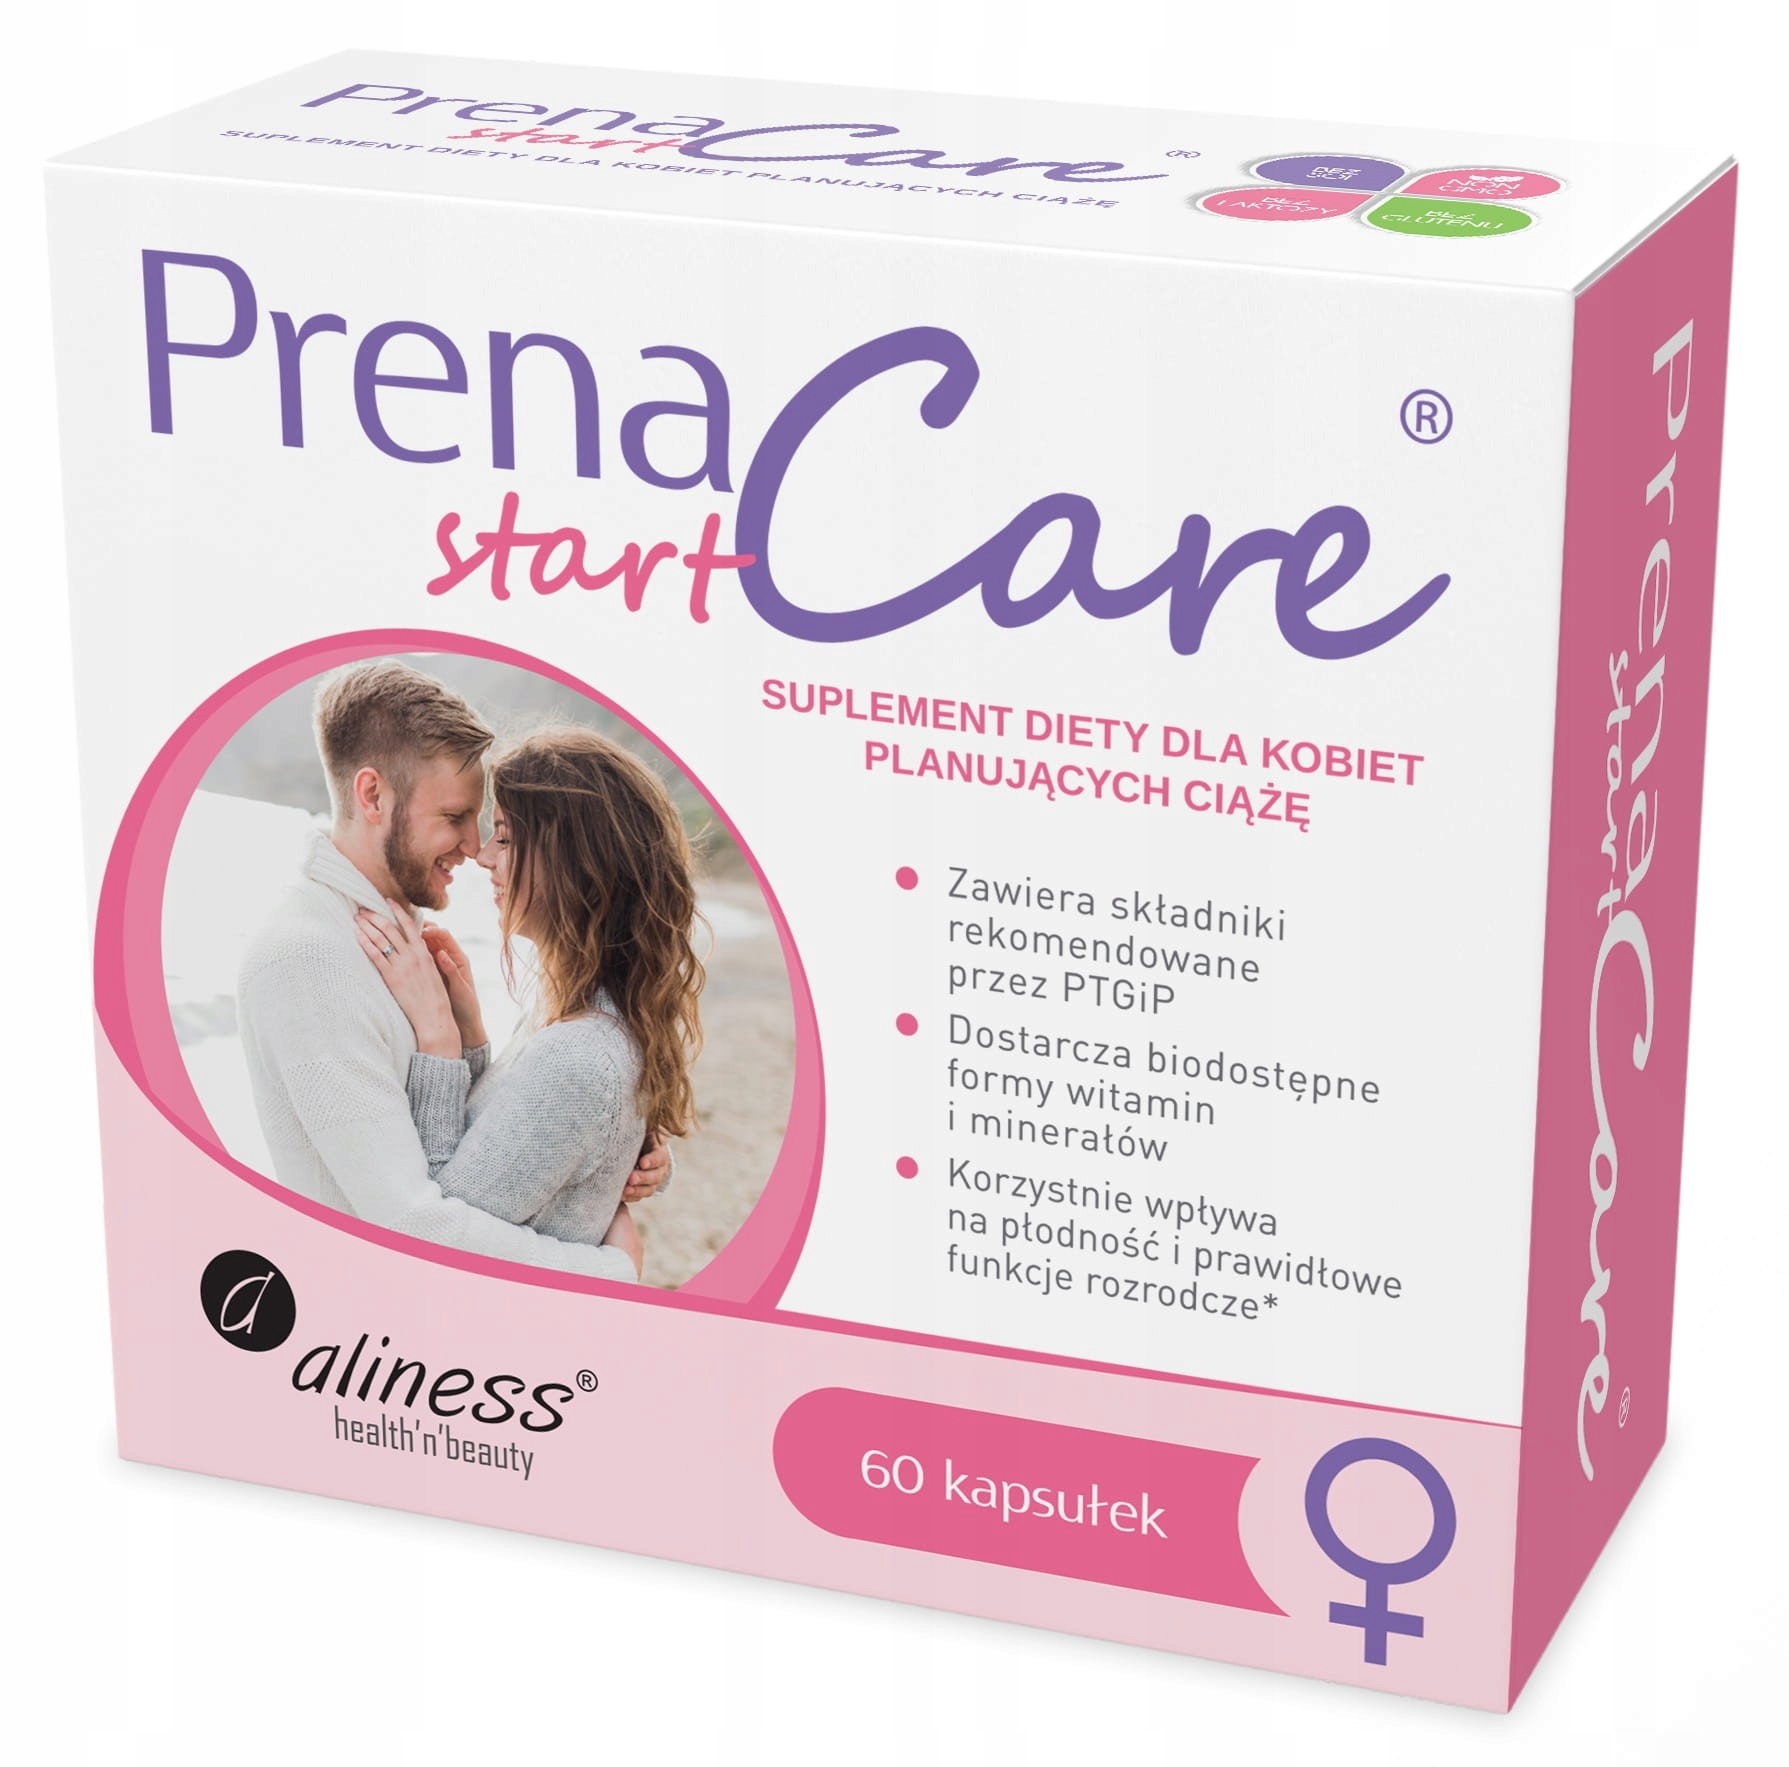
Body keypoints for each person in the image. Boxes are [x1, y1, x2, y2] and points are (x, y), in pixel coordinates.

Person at [237, 660, 668, 1280]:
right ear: (372, 796)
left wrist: (611, 1141)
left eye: (485, 823)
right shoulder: (307, 960)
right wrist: (609, 1271)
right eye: (454, 817)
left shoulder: (398, 939)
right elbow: (413, 1222)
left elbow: (484, 1144)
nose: (473, 847)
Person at [351, 727, 704, 1284]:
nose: (483, 856)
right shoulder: (575, 1007)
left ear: (580, 861)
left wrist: (437, 1039)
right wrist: (470, 1034)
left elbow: (434, 1238)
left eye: (507, 838)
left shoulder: (578, 1054)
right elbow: (500, 1146)